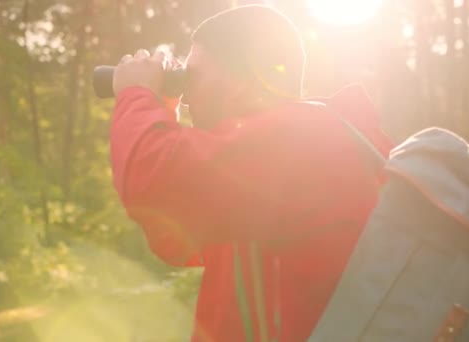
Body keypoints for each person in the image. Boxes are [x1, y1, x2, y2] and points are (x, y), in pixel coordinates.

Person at [109, 5, 394, 342]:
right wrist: (162, 108)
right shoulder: (274, 159)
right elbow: (175, 234)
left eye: (193, 76)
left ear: (241, 80)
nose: (186, 97)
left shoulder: (301, 140)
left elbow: (153, 179)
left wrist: (137, 93)